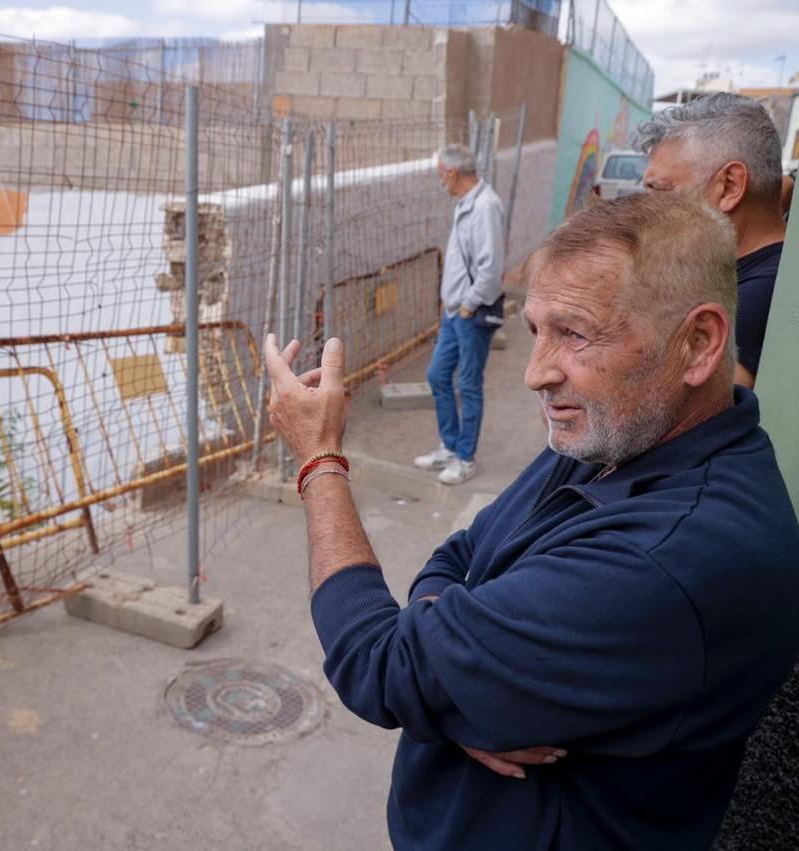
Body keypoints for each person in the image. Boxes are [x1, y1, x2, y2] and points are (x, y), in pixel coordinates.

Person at [265, 192, 799, 850]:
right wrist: (457, 694)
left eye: (575, 333)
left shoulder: (668, 558)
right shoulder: (619, 432)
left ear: (698, 343)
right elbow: (461, 553)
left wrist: (320, 461)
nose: (535, 373)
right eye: (536, 329)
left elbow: (378, 663)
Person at [636, 92, 787, 388]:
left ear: (729, 186)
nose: (647, 211)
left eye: (663, 192)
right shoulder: (733, 270)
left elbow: (676, 417)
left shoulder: (761, 296)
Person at [414, 144, 506, 485]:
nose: (441, 182)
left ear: (453, 174)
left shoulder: (485, 207)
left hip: (472, 312)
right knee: (439, 375)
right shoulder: (465, 204)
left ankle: (465, 457)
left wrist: (468, 305)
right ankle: (450, 447)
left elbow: (491, 267)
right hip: (455, 312)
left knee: (468, 384)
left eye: (441, 175)